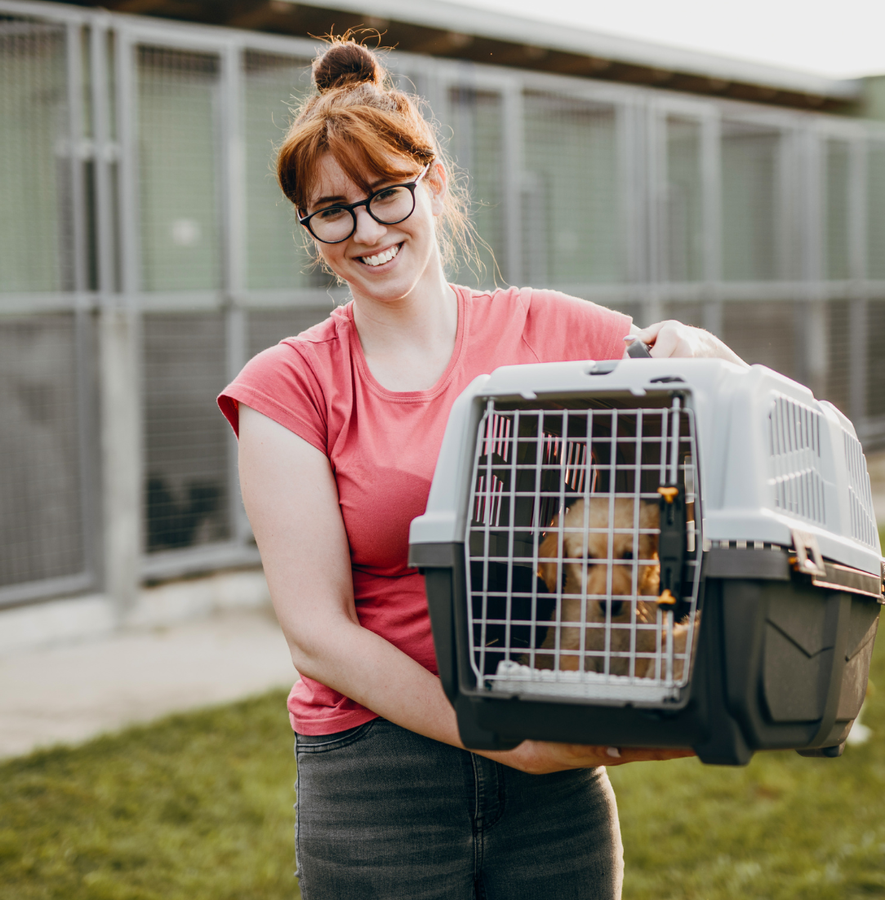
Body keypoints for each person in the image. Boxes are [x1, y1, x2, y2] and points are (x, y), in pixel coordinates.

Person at [217, 38, 744, 900]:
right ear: (311, 231)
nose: (368, 231)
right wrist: (501, 737)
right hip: (377, 771)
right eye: (333, 210)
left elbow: (713, 404)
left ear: (434, 185)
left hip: (553, 750)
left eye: (387, 194)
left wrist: (695, 346)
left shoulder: (543, 330)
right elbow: (317, 630)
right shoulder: (290, 385)